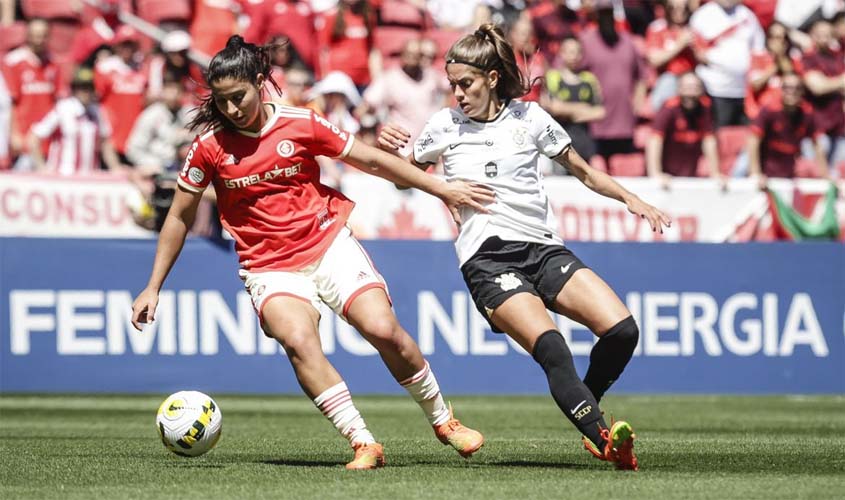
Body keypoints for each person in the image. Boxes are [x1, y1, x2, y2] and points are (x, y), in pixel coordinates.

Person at [130, 36, 493, 470]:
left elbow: (371, 160)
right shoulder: (209, 146)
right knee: (299, 341)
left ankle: (443, 421)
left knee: (382, 329)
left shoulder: (302, 122)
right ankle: (363, 442)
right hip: (268, 266)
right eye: (222, 101)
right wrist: (153, 286)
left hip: (328, 243)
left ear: (260, 82)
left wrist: (441, 188)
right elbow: (179, 216)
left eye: (238, 97)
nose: (230, 109)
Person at [378, 24, 671, 471]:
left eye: (466, 83)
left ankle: (586, 406)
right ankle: (603, 437)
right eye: (453, 84)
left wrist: (632, 198)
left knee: (623, 331)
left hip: (544, 248)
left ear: (493, 78)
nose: (458, 94)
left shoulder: (530, 118)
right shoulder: (444, 125)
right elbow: (404, 178)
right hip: (488, 258)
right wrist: (396, 157)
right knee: (553, 349)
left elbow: (584, 171)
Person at [27, 67, 124, 175]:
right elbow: (34, 137)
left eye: (88, 88)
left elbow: (105, 143)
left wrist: (115, 167)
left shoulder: (97, 112)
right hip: (63, 175)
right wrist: (41, 167)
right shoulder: (63, 108)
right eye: (81, 88)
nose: (85, 92)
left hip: (89, 176)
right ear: (73, 90)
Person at [748, 73, 829, 187]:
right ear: (781, 89)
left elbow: (817, 144)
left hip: (789, 173)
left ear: (802, 91)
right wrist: (755, 173)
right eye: (787, 87)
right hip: (766, 173)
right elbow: (753, 140)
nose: (792, 92)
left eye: (797, 88)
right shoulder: (769, 110)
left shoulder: (807, 113)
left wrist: (824, 174)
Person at [646, 72, 723, 189]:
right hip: (667, 176)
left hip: (689, 176)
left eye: (695, 88)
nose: (690, 93)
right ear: (678, 89)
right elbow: (655, 140)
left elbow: (709, 140)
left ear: (702, 91)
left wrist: (715, 173)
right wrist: (656, 173)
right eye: (686, 88)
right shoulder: (669, 107)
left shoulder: (705, 108)